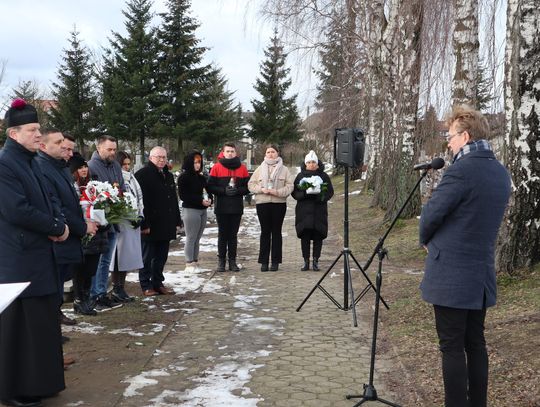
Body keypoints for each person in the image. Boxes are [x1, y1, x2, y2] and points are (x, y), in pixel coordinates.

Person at [419, 105, 511, 407]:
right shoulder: (499, 172)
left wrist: (426, 238)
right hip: (481, 273)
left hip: (452, 276)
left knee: (452, 347)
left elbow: (432, 214)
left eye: (451, 136)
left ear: (466, 136)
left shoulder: (460, 170)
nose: (448, 141)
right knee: (476, 343)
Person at [0, 99, 69, 407]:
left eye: (39, 128)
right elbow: (17, 210)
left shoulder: (32, 161)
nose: (38, 134)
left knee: (42, 324)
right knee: (20, 329)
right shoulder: (4, 163)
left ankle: (42, 382)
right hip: (18, 259)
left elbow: (50, 199)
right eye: (33, 129)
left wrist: (59, 221)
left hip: (40, 255)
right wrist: (55, 227)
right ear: (14, 134)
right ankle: (14, 389)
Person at [36, 129, 98, 327]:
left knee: (59, 282)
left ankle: (55, 316)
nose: (65, 147)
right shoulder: (42, 168)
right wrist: (82, 227)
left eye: (64, 142)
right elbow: (57, 207)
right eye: (59, 142)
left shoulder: (61, 167)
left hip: (68, 236)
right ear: (43, 146)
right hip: (58, 237)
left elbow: (69, 200)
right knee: (52, 285)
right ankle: (51, 327)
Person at [135, 146, 181, 296]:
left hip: (165, 222)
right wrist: (144, 223)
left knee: (162, 256)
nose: (161, 160)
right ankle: (145, 284)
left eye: (164, 157)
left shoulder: (167, 175)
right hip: (151, 223)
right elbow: (141, 202)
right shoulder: (143, 174)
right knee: (147, 256)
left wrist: (177, 219)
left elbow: (173, 199)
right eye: (158, 157)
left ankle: (158, 282)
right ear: (151, 158)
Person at [68, 154, 109, 315]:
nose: (84, 169)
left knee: (91, 269)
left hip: (98, 235)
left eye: (85, 166)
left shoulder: (94, 186)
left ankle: (86, 298)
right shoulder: (73, 187)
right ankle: (79, 300)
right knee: (80, 269)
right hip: (82, 234)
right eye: (80, 167)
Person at [87, 135, 125, 310]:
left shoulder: (115, 165)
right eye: (109, 149)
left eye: (114, 149)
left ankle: (101, 292)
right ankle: (94, 294)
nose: (113, 152)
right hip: (99, 220)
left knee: (106, 260)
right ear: (99, 148)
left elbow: (121, 188)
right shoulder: (91, 166)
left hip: (113, 219)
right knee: (98, 259)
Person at [248, 144, 294, 271]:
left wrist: (277, 192)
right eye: (268, 152)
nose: (270, 154)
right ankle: (263, 261)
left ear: (277, 153)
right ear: (265, 154)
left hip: (278, 204)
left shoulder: (284, 170)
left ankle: (275, 261)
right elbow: (251, 185)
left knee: (276, 232)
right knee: (265, 232)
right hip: (263, 204)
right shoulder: (259, 169)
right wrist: (261, 189)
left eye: (273, 152)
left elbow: (290, 186)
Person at [207, 142, 250, 272]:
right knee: (222, 234)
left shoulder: (242, 168)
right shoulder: (216, 167)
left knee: (233, 235)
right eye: (228, 151)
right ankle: (221, 261)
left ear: (235, 153)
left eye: (232, 151)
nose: (230, 153)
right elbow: (210, 186)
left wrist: (238, 191)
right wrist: (223, 191)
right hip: (222, 206)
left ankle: (232, 261)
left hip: (236, 207)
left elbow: (248, 187)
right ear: (223, 153)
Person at [109, 151, 144, 302]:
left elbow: (138, 197)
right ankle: (116, 287)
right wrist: (128, 216)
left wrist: (140, 215)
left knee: (127, 258)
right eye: (124, 165)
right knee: (118, 258)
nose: (127, 167)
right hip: (121, 224)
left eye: (129, 164)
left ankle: (121, 287)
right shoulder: (116, 179)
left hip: (132, 224)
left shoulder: (132, 179)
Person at [292, 150, 334, 271]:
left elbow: (330, 192)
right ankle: (306, 261)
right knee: (305, 236)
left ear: (317, 163)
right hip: (303, 211)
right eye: (309, 162)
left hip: (319, 210)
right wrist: (304, 194)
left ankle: (316, 260)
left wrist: (320, 196)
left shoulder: (323, 176)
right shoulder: (300, 176)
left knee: (318, 236)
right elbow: (294, 192)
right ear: (305, 164)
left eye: (313, 162)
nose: (311, 164)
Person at [177, 151, 213, 272]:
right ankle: (189, 262)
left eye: (199, 162)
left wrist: (210, 200)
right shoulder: (184, 177)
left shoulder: (201, 177)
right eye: (195, 162)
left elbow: (207, 191)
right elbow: (183, 195)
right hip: (191, 210)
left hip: (202, 210)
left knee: (198, 238)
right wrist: (199, 200)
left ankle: (195, 260)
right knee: (191, 237)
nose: (197, 165)